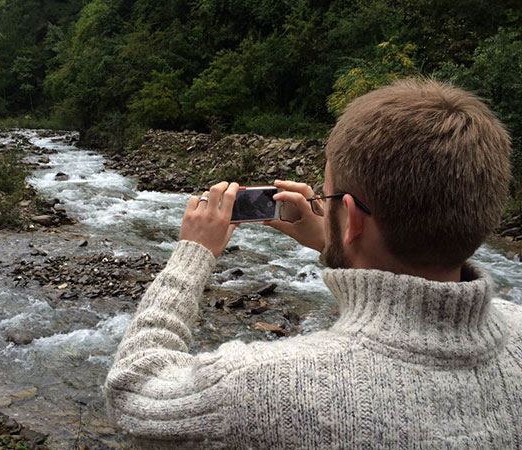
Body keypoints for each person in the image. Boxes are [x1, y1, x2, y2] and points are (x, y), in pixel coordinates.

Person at [104, 79, 522, 449]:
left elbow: (133, 392)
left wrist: (193, 254)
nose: (323, 204)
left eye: (329, 198)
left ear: (354, 219)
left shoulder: (265, 386)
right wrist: (335, 241)